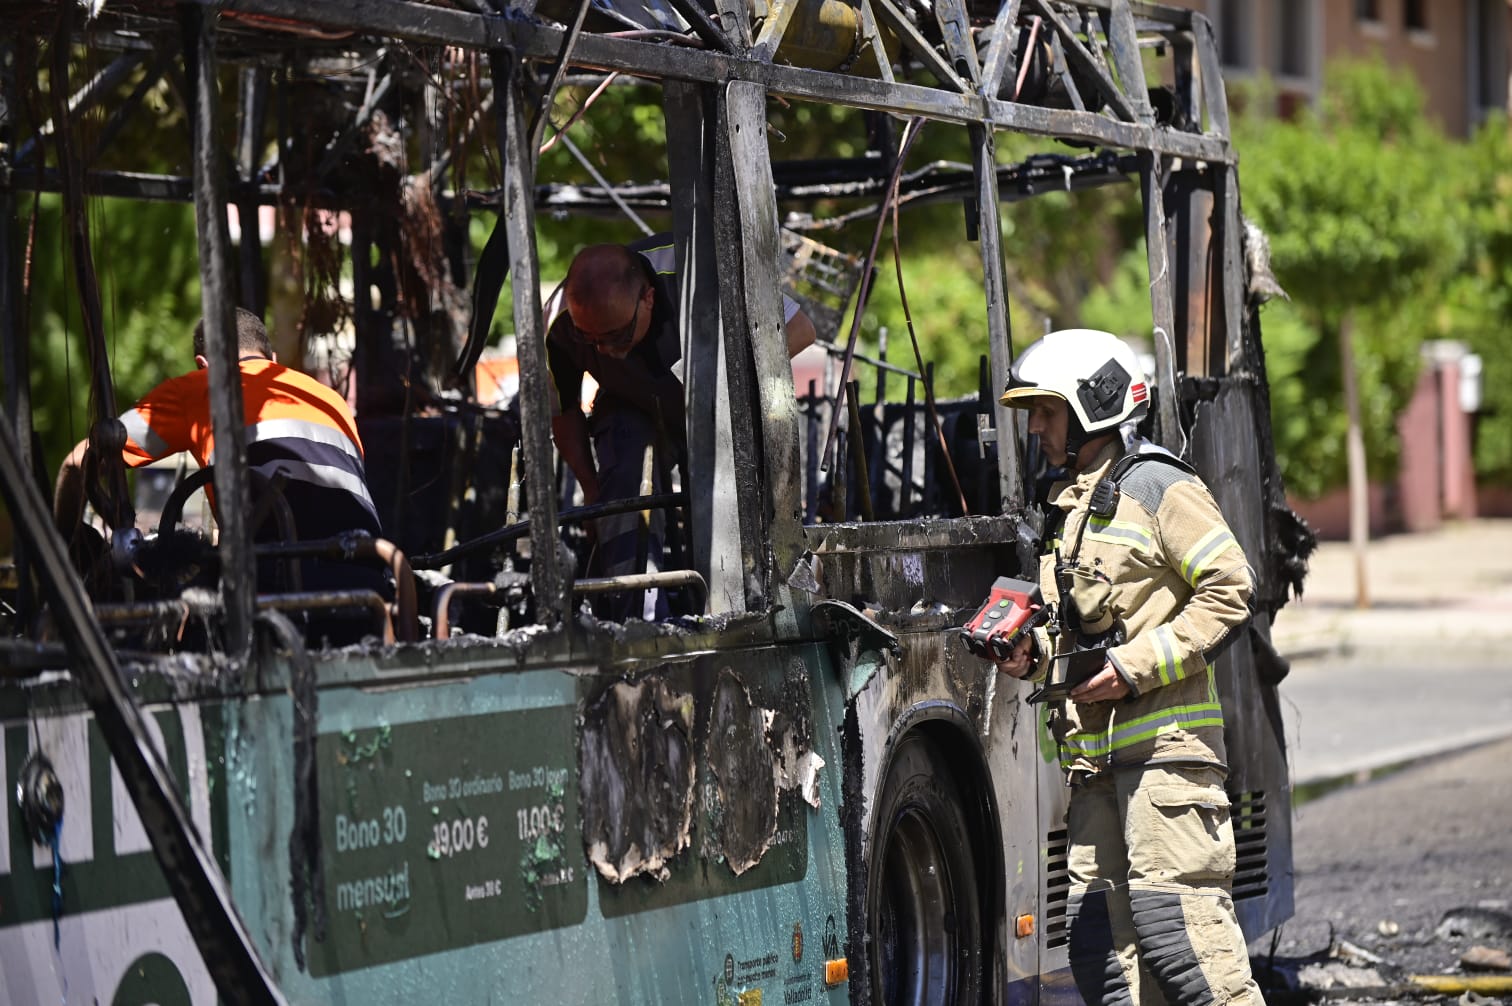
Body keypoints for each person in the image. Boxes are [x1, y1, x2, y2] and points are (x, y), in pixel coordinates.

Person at [993, 328, 1264, 1006]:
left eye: (1047, 411)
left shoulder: (1158, 485)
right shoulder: (1073, 506)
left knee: (1188, 953)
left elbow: (1231, 587)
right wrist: (1034, 656)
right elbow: (1084, 626)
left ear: (1095, 405)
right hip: (1096, 773)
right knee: (1107, 966)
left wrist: (1132, 667)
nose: (1036, 428)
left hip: (1167, 764)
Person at [545, 234, 815, 619]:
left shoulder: (699, 269)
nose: (604, 351)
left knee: (733, 520)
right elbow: (562, 410)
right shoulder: (557, 319)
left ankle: (740, 609)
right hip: (630, 405)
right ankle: (638, 619)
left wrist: (715, 382)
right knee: (625, 460)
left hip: (718, 406)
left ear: (648, 299)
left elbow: (800, 329)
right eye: (589, 340)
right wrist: (591, 491)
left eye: (617, 335)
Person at [54, 307, 383, 596]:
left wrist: (72, 549)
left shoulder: (201, 387)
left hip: (274, 586)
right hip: (369, 579)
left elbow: (76, 463)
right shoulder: (330, 400)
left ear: (203, 365)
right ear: (273, 360)